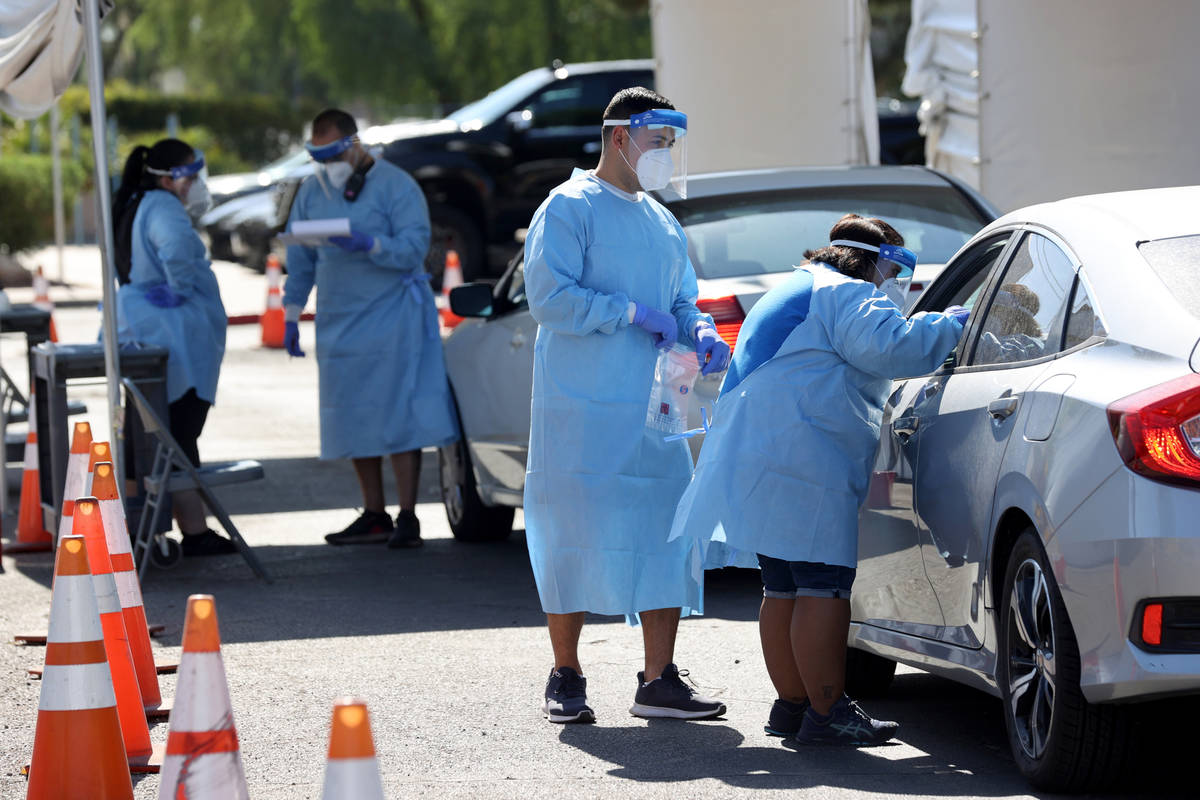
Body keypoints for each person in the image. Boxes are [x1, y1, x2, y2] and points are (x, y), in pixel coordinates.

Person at [668, 214, 969, 746]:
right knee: (824, 587)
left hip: (761, 456)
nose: (892, 284)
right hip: (803, 461)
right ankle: (829, 711)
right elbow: (895, 349)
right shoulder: (848, 292)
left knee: (782, 586)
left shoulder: (796, 285)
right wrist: (960, 322)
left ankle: (793, 706)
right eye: (894, 270)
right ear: (876, 260)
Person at [523, 87, 732, 725]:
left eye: (670, 144)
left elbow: (683, 297)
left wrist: (698, 329)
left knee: (663, 530)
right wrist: (626, 313)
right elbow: (550, 296)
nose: (665, 155)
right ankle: (566, 672)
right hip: (582, 408)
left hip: (657, 409)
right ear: (622, 137)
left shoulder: (661, 220)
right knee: (573, 533)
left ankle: (659, 678)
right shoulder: (569, 207)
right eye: (658, 142)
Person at [282, 108, 458, 549]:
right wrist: (290, 311)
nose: (328, 164)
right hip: (340, 318)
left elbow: (416, 248)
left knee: (398, 411)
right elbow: (300, 259)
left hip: (393, 316)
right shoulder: (311, 190)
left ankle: (408, 515)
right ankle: (374, 512)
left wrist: (371, 244)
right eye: (318, 156)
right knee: (353, 413)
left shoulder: (397, 186)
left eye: (334, 153)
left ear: (354, 143)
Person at [113, 138, 233, 556]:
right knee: (176, 435)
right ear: (169, 179)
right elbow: (179, 251)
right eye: (191, 175)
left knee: (151, 436)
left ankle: (160, 531)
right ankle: (166, 534)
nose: (197, 184)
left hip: (143, 331)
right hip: (172, 338)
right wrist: (181, 287)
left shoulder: (136, 202)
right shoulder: (163, 207)